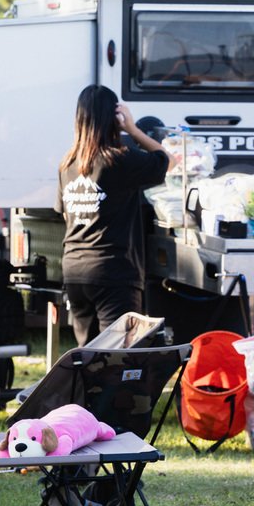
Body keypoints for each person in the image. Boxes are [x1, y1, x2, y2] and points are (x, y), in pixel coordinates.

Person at [56, 84, 168, 348]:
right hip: (113, 271)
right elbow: (165, 161)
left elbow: (65, 215)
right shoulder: (120, 160)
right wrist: (133, 129)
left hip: (74, 269)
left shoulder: (67, 164)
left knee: (88, 356)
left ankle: (86, 392)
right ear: (113, 118)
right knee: (118, 356)